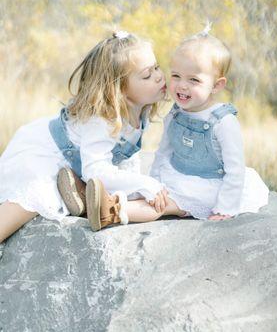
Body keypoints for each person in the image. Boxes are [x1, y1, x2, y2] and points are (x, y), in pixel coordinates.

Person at [0, 31, 186, 243]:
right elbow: (96, 168)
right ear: (120, 90)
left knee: (128, 188)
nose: (159, 77)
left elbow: (124, 159)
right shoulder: (102, 120)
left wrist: (140, 187)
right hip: (44, 153)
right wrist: (144, 183)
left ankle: (83, 192)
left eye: (156, 67)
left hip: (78, 161)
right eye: (147, 75)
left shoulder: (138, 109)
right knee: (34, 197)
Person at [150, 26, 269, 220]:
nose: (182, 85)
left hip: (211, 185)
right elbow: (164, 152)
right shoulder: (175, 114)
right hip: (178, 176)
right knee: (153, 196)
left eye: (194, 80)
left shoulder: (223, 122)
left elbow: (235, 169)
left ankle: (114, 212)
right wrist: (153, 183)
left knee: (165, 205)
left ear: (216, 85)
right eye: (176, 75)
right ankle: (111, 203)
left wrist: (224, 208)